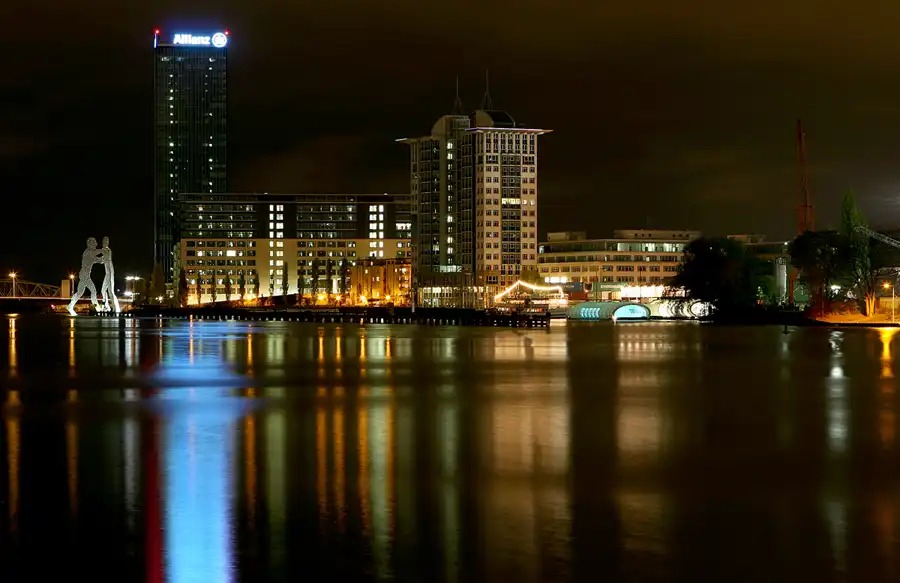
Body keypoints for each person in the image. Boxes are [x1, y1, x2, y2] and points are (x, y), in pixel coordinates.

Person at [67, 237, 103, 316]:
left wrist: (103, 258)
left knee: (80, 293)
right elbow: (97, 255)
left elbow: (99, 260)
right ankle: (98, 309)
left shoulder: (90, 254)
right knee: (93, 291)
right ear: (90, 244)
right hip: (84, 275)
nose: (95, 245)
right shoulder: (87, 252)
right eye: (94, 244)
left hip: (84, 274)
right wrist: (104, 250)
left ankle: (70, 306)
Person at [99, 236, 120, 313]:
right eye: (104, 241)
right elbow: (102, 260)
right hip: (107, 273)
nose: (104, 243)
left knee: (110, 291)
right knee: (103, 290)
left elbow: (104, 259)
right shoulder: (104, 250)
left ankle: (115, 308)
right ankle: (107, 307)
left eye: (106, 242)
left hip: (110, 273)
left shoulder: (107, 250)